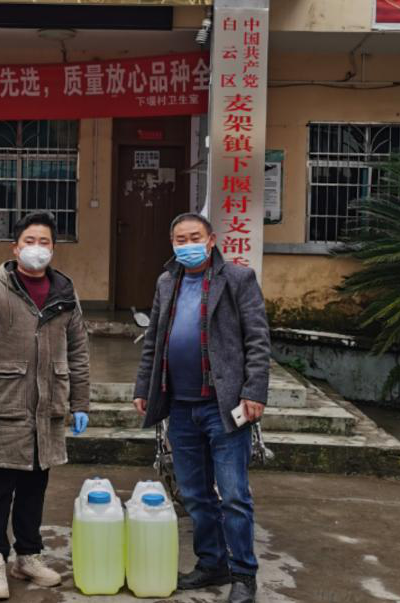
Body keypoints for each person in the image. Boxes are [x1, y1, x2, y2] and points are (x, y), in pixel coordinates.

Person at [132, 213, 270, 603]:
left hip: (223, 405)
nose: (188, 244)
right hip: (180, 406)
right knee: (194, 493)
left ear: (211, 240)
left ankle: (243, 573)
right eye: (181, 239)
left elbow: (257, 339)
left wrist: (254, 391)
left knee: (234, 495)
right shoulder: (167, 282)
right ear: (172, 244)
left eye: (195, 237)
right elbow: (154, 340)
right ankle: (212, 563)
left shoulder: (238, 279)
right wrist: (144, 387)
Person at [0, 212, 91, 601]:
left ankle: (28, 556)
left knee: (35, 487)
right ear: (15, 248)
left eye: (44, 242)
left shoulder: (64, 293)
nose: (37, 248)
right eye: (29, 241)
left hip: (47, 408)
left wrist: (80, 402)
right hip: (5, 405)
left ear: (54, 248)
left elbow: (78, 350)